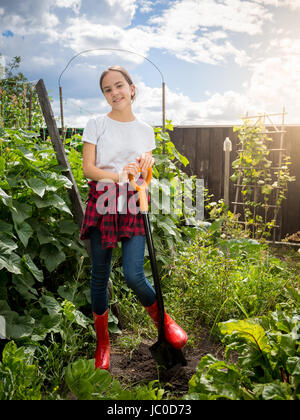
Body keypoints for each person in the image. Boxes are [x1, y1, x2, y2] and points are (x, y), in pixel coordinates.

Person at [79, 65, 187, 370]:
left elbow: (144, 178)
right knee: (100, 276)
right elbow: (88, 169)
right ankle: (103, 345)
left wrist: (144, 169)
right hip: (103, 200)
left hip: (133, 203)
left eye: (118, 86)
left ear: (132, 88)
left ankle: (165, 323)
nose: (114, 93)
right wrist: (118, 175)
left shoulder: (145, 130)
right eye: (107, 90)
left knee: (134, 274)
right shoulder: (96, 124)